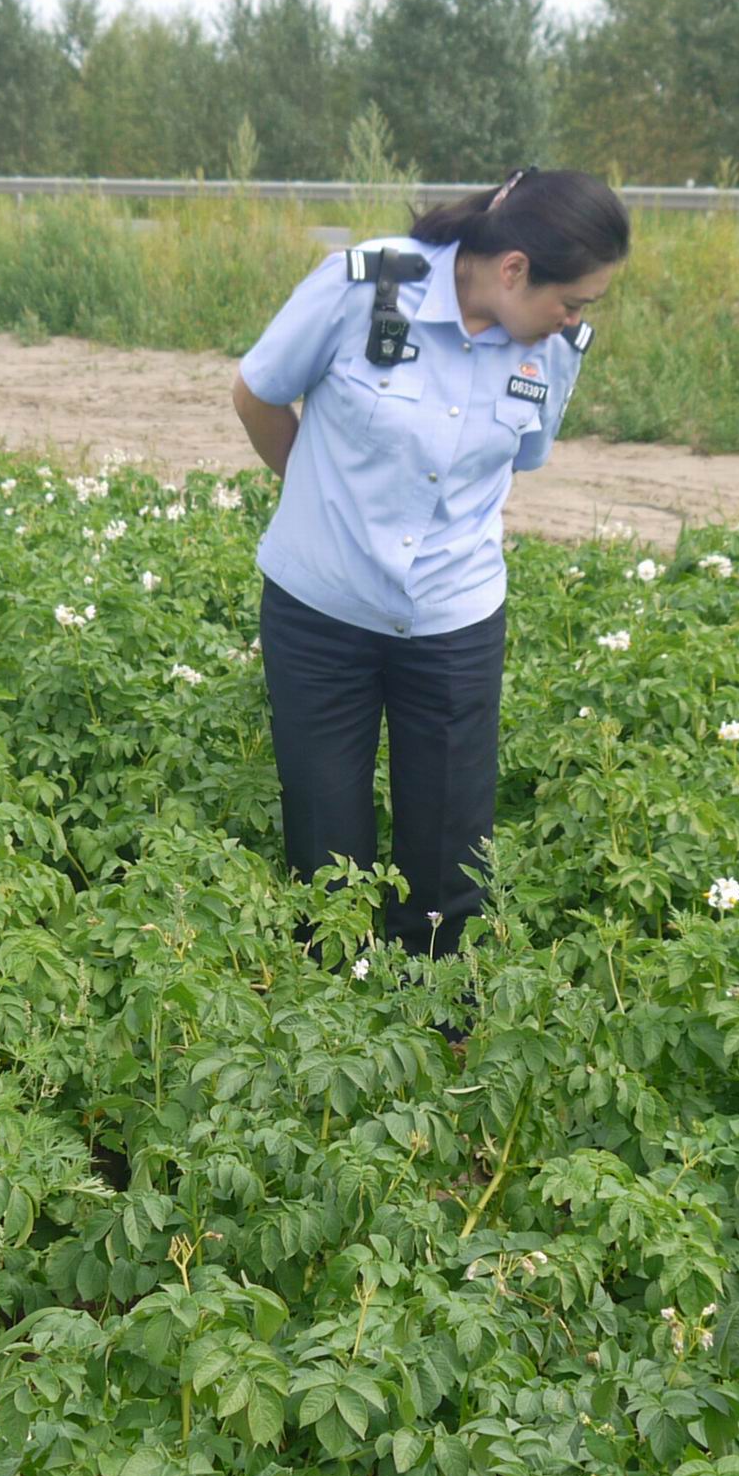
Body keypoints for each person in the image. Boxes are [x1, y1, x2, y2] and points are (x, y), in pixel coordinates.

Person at [228, 168, 630, 966]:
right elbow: (257, 395)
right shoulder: (368, 286)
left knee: (451, 852)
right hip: (321, 615)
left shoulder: (549, 350)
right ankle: (336, 1023)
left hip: (453, 624)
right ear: (514, 268)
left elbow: (514, 461)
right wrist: (320, 498)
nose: (573, 320)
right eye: (573, 301)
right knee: (325, 842)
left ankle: (440, 1024)